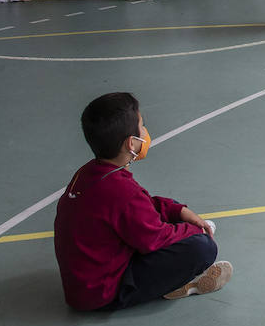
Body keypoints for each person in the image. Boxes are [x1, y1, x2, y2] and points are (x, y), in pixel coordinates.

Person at [53, 92, 231, 310]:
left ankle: (177, 273)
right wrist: (197, 231)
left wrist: (180, 212)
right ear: (131, 143)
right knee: (202, 248)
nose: (146, 133)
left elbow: (144, 206)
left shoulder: (92, 172)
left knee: (170, 211)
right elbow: (155, 238)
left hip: (85, 284)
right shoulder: (121, 191)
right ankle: (180, 282)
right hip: (102, 295)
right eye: (142, 126)